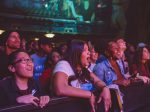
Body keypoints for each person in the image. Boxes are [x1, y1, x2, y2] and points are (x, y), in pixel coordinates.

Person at [53, 40, 111, 112]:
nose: (89, 53)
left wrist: (105, 88)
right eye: (85, 50)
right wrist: (90, 94)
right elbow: (60, 88)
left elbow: (97, 81)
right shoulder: (63, 64)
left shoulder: (83, 69)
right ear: (76, 53)